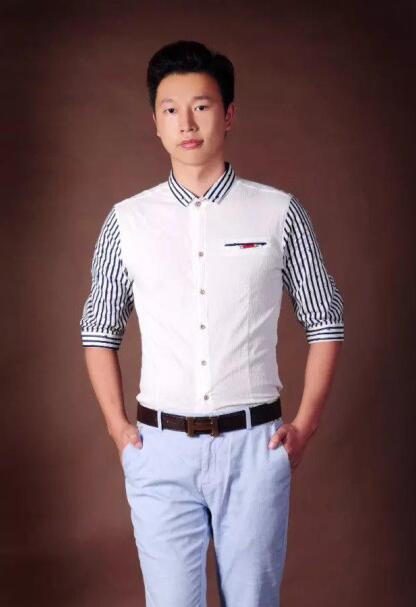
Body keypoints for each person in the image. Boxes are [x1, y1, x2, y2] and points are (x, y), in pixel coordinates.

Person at [80, 40, 344, 607]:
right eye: (171, 109)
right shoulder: (127, 222)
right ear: (155, 122)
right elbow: (98, 332)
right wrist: (119, 431)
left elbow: (326, 320)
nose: (187, 122)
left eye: (201, 106)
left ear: (228, 114)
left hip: (255, 448)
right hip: (160, 451)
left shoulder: (279, 213)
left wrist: (305, 426)